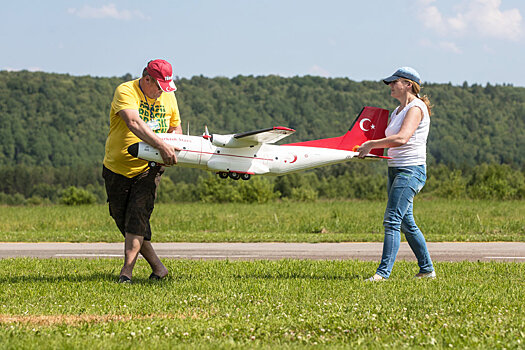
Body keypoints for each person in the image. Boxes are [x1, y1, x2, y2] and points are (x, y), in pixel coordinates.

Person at [102, 59, 182, 283]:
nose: (161, 92)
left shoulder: (168, 95)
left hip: (150, 167)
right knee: (122, 218)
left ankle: (126, 271)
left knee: (137, 216)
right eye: (158, 87)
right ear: (147, 79)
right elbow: (134, 123)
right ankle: (158, 267)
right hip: (116, 167)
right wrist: (162, 145)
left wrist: (170, 146)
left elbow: (175, 126)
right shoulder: (125, 91)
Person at [357, 67, 435, 281]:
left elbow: (402, 138)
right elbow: (390, 139)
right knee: (405, 221)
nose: (390, 86)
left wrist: (371, 144)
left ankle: (382, 274)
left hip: (411, 170)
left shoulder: (416, 108)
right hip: (395, 168)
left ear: (408, 84)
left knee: (392, 219)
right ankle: (427, 270)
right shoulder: (397, 111)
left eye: (394, 82)